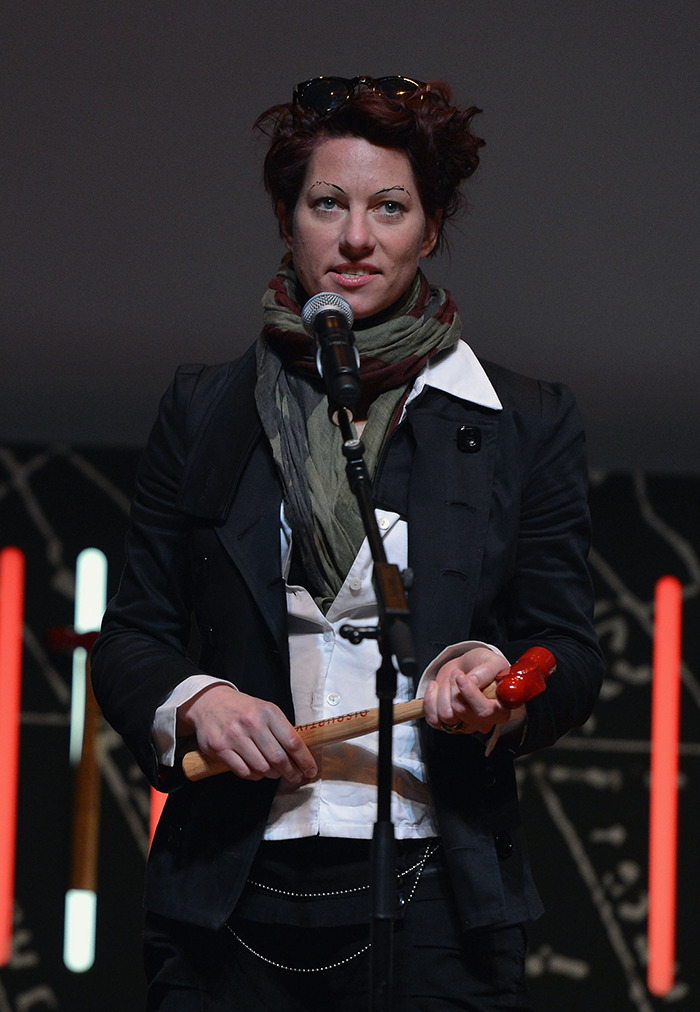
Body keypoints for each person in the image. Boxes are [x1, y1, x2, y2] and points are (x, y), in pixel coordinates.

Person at [91, 76, 604, 1011]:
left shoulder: (525, 420)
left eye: (390, 207)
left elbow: (568, 648)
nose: (356, 238)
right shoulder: (205, 409)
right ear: (287, 218)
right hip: (225, 898)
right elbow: (130, 639)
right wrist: (197, 700)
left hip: (442, 894)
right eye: (328, 203)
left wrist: (498, 677)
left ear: (432, 225)